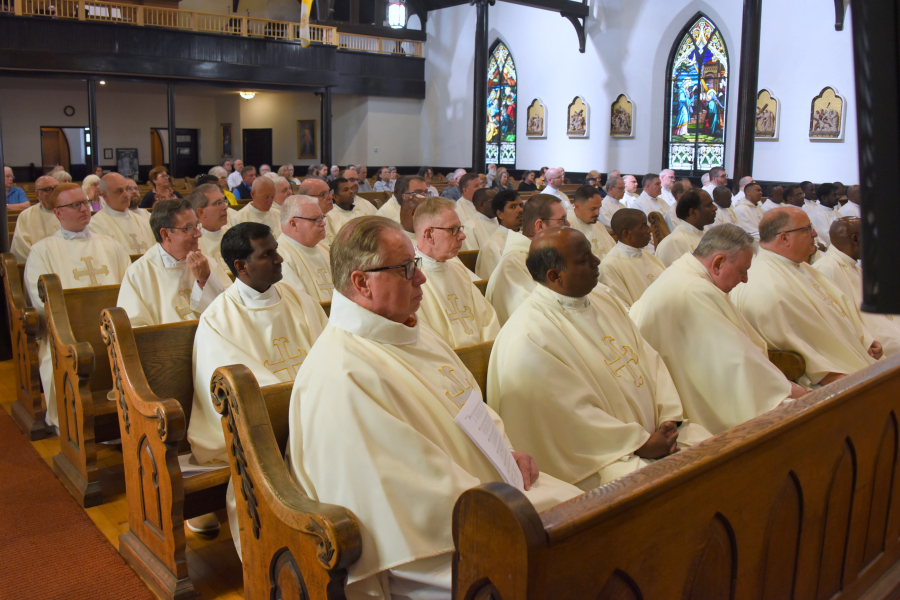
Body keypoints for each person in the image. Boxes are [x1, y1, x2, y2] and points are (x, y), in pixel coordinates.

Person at [287, 216, 581, 598]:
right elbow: (407, 491)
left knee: (593, 517)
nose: (421, 279)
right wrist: (495, 500)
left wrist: (504, 453)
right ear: (362, 282)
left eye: (417, 266)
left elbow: (471, 406)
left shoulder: (411, 334)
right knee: (567, 563)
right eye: (406, 269)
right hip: (433, 550)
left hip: (488, 498)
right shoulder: (341, 374)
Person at [488, 227, 710, 490]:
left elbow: (649, 359)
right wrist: (639, 443)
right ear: (554, 276)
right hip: (600, 458)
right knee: (671, 486)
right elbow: (568, 418)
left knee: (716, 451)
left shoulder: (602, 298)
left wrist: (667, 419)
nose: (597, 262)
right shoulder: (529, 335)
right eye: (584, 260)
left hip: (654, 434)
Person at [188, 222, 328, 548]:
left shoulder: (298, 298)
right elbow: (238, 389)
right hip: (269, 425)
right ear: (241, 266)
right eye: (268, 254)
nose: (280, 259)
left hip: (316, 411)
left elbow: (330, 350)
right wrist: (305, 401)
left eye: (276, 250)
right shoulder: (218, 318)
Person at [631, 225, 807, 435]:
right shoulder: (693, 291)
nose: (745, 280)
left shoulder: (684, 275)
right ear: (718, 263)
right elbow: (735, 364)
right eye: (742, 271)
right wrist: (784, 390)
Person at [730, 207, 881, 387]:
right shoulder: (766, 286)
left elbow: (839, 304)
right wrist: (828, 375)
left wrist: (865, 339)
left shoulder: (798, 265)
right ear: (784, 238)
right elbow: (792, 347)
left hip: (854, 358)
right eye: (808, 229)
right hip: (831, 380)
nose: (815, 233)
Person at [25, 183, 130, 427]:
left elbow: (129, 289)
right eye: (75, 205)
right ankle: (74, 424)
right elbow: (42, 303)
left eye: (85, 203)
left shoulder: (111, 245)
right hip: (70, 336)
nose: (84, 209)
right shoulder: (42, 252)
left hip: (112, 331)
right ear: (58, 213)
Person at [117, 198, 230, 327]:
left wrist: (205, 280)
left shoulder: (206, 263)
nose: (198, 234)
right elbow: (135, 328)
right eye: (188, 228)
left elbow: (230, 311)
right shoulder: (138, 274)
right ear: (165, 234)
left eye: (196, 225)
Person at [413, 197, 500, 348]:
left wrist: (485, 353)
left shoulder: (457, 268)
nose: (462, 235)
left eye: (460, 228)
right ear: (429, 235)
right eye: (453, 229)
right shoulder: (408, 278)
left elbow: (487, 319)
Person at [814, 217, 900, 356]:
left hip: (886, 329)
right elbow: (833, 320)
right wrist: (866, 341)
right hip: (871, 342)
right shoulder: (826, 269)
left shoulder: (855, 267)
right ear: (855, 239)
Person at [486, 194, 570, 324]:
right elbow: (532, 318)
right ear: (540, 226)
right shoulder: (513, 264)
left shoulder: (547, 254)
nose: (568, 225)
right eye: (562, 220)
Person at [597, 208, 666, 308]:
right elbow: (623, 310)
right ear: (626, 234)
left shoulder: (650, 257)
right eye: (643, 226)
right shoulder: (609, 266)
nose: (649, 230)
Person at [277, 194, 334, 302]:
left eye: (322, 218)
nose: (323, 223)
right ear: (293, 224)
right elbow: (297, 302)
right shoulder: (280, 256)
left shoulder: (325, 248)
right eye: (316, 219)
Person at [88, 173, 156, 256]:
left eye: (126, 189)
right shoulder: (95, 225)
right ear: (105, 196)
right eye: (119, 191)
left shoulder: (143, 221)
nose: (126, 194)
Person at [656, 189, 717, 267]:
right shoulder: (674, 242)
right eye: (709, 205)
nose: (715, 208)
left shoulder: (707, 233)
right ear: (693, 212)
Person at [476, 190, 523, 280]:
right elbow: (491, 284)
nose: (520, 210)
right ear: (500, 214)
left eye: (521, 205)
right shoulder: (492, 246)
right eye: (513, 207)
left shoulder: (527, 238)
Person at [11, 175, 59, 263]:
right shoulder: (26, 215)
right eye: (48, 189)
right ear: (37, 194)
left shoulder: (69, 211)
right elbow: (21, 248)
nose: (54, 192)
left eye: (57, 188)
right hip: (40, 267)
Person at [567, 185, 616, 260]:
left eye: (599, 208)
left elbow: (613, 251)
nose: (597, 213)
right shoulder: (567, 226)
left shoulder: (598, 225)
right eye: (593, 209)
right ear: (577, 206)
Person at [191, 183, 231, 273]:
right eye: (218, 203)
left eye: (224, 201)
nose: (225, 207)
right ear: (201, 212)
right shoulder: (193, 243)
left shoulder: (235, 234)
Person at [461, 187, 498, 251]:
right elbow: (473, 255)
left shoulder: (500, 221)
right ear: (482, 204)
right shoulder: (470, 227)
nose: (499, 204)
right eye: (494, 201)